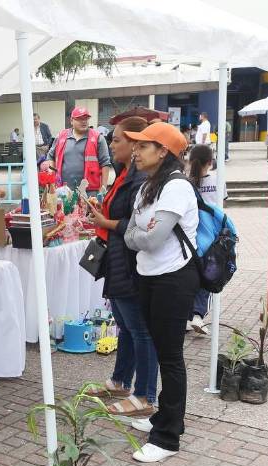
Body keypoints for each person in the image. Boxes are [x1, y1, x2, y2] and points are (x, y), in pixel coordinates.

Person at [122, 122, 200, 463]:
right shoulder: (147, 187)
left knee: (170, 357)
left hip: (174, 278)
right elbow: (130, 233)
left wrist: (143, 235)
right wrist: (143, 234)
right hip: (150, 275)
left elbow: (149, 238)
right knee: (159, 346)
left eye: (143, 146)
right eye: (135, 146)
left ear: (163, 151)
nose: (135, 152)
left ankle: (168, 437)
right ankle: (162, 416)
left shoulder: (177, 188)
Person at [87, 117, 158, 417]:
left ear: (134, 145)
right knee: (126, 327)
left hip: (130, 261)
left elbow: (139, 225)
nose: (111, 144)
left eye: (117, 139)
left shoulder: (141, 180)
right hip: (118, 257)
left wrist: (106, 222)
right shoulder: (124, 174)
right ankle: (120, 381)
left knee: (140, 330)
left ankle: (144, 394)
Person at [186, 144, 221, 335]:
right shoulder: (218, 179)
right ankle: (197, 314)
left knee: (190, 275)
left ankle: (186, 315)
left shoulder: (185, 182)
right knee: (208, 276)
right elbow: (222, 203)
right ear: (210, 162)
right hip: (212, 237)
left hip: (190, 235)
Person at [41, 107, 111, 194]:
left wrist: (103, 188)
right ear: (71, 121)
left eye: (86, 119)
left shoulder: (98, 138)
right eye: (79, 119)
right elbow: (51, 156)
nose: (84, 121)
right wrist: (52, 177)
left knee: (88, 208)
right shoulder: (61, 136)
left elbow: (105, 163)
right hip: (64, 190)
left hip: (89, 191)